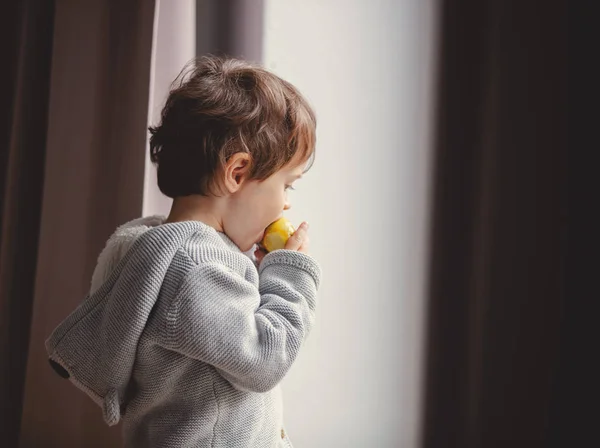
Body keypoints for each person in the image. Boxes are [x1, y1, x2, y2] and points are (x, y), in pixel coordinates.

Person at [45, 54, 322, 448]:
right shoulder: (195, 266)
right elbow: (264, 360)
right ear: (237, 172)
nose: (287, 205)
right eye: (287, 186)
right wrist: (291, 275)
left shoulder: (158, 249)